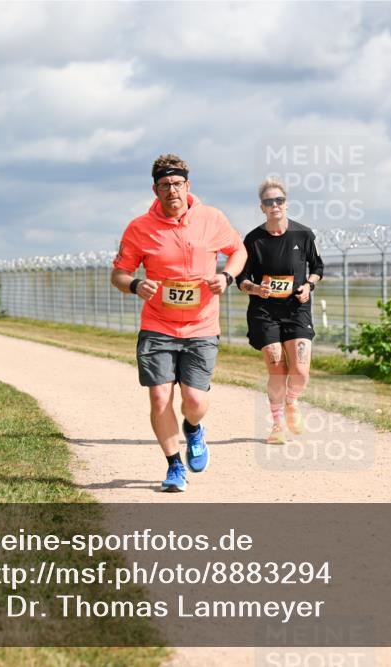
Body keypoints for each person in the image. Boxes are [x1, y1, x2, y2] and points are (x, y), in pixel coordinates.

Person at [111, 154, 247, 492]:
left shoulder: (212, 219)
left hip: (201, 326)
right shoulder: (139, 228)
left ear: (188, 185)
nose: (172, 190)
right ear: (154, 189)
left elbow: (239, 250)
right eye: (164, 185)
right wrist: (134, 284)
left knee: (195, 402)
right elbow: (119, 273)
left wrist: (227, 276)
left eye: (177, 184)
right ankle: (174, 466)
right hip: (158, 324)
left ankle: (193, 428)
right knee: (159, 398)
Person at [237, 179, 324, 444]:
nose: (275, 205)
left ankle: (292, 402)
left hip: (296, 308)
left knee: (300, 371)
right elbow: (242, 278)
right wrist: (255, 289)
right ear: (262, 207)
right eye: (268, 202)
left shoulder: (303, 235)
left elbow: (318, 268)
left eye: (279, 201)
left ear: (286, 204)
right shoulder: (253, 240)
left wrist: (309, 286)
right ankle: (277, 426)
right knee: (278, 369)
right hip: (264, 311)